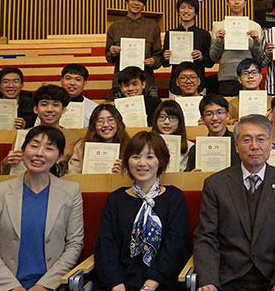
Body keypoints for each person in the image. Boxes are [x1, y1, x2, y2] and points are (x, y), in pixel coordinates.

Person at [193, 114, 275, 291]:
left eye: (261, 139)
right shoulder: (216, 184)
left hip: (272, 278)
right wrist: (208, 280)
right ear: (236, 145)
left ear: (270, 143)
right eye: (246, 140)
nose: (254, 146)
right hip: (228, 278)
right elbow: (206, 236)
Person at [0, 125, 84, 291]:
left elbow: (74, 244)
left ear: (59, 157)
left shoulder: (70, 192)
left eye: (49, 148)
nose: (39, 153)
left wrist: (43, 286)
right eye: (34, 146)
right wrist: (12, 287)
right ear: (22, 150)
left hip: (51, 286)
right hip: (4, 286)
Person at [94, 131, 189, 291]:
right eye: (136, 156)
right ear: (127, 161)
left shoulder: (174, 197)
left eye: (150, 157)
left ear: (161, 161)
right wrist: (117, 285)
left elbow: (175, 247)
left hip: (161, 283)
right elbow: (106, 246)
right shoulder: (115, 199)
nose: (142, 163)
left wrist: (149, 287)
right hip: (119, 284)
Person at [1, 84, 80, 175]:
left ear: (64, 110)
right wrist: (7, 163)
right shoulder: (24, 135)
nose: (49, 109)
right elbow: (10, 173)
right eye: (44, 104)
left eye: (55, 105)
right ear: (35, 109)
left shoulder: (74, 140)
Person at [105, 0, 163, 94]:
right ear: (127, 2)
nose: (136, 3)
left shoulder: (153, 27)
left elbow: (159, 56)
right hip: (122, 83)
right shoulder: (115, 27)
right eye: (133, 0)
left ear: (144, 4)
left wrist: (153, 61)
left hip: (146, 81)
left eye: (140, 1)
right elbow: (108, 57)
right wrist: (112, 52)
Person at [210, 0, 263, 96]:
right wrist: (219, 41)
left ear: (245, 2)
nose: (236, 2)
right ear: (227, 3)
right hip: (227, 77)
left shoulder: (255, 26)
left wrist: (257, 41)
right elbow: (213, 57)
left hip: (249, 78)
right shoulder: (218, 26)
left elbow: (258, 58)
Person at [162, 0, 214, 97]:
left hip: (198, 85)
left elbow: (210, 63)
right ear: (178, 11)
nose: (186, 11)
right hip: (176, 86)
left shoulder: (204, 34)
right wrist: (166, 58)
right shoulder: (171, 33)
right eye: (182, 7)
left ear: (195, 12)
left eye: (190, 8)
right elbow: (164, 64)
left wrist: (201, 57)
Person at [68, 104, 130, 174]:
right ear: (93, 125)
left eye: (111, 120)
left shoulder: (129, 147)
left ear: (118, 123)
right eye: (100, 121)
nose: (106, 125)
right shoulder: (81, 147)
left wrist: (122, 174)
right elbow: (73, 174)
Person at [35, 63, 99, 128]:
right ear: (61, 80)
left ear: (84, 83)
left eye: (78, 79)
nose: (72, 83)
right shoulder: (47, 106)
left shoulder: (94, 108)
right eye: (68, 78)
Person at [186, 94, 240, 171]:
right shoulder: (196, 150)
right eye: (209, 114)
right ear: (202, 119)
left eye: (220, 112)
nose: (215, 118)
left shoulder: (239, 144)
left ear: (228, 116)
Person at [151, 100, 193, 172]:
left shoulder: (190, 147)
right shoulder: (147, 144)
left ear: (179, 122)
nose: (166, 122)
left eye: (172, 118)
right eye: (162, 117)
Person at [227, 58, 271, 123]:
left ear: (261, 77)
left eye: (254, 72)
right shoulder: (232, 103)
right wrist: (234, 122)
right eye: (245, 73)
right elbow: (225, 120)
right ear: (239, 79)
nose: (250, 76)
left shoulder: (271, 101)